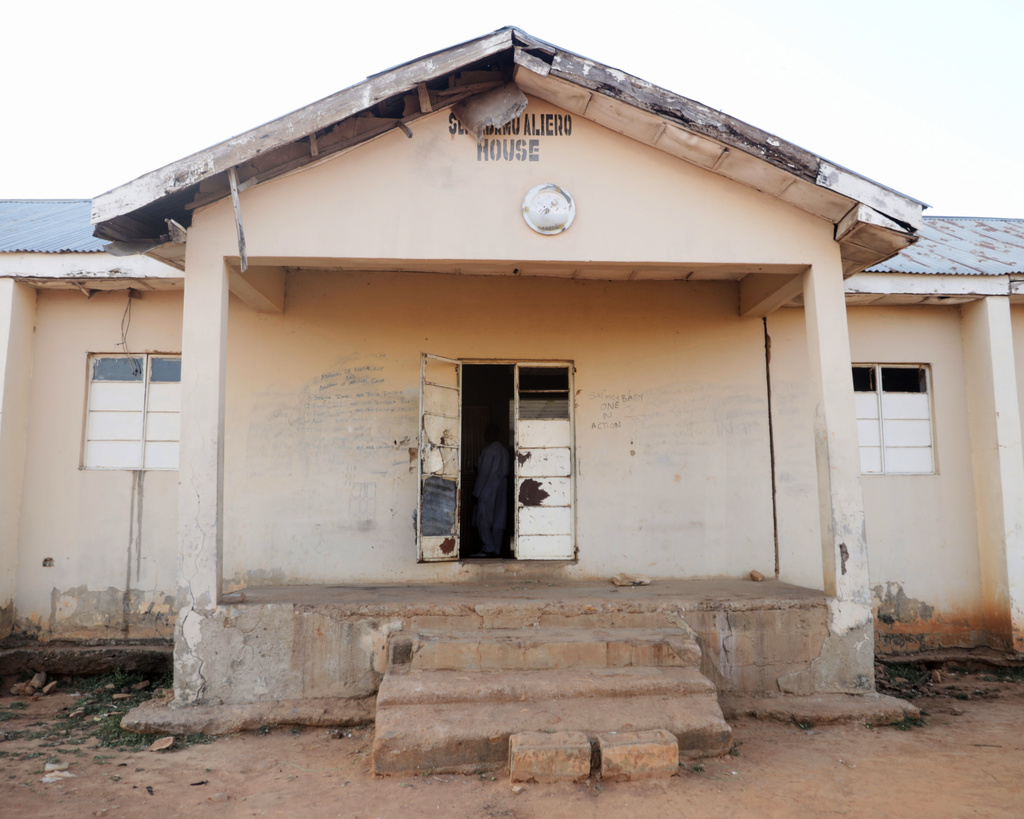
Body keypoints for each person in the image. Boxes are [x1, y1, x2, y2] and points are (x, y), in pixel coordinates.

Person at [470, 424, 509, 558]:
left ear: (492, 434)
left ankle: (488, 548)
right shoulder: (504, 450)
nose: (485, 435)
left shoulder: (490, 450)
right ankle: (496, 549)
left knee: (484, 518)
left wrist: (476, 493)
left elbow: (484, 473)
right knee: (499, 518)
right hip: (502, 486)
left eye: (487, 432)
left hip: (488, 487)